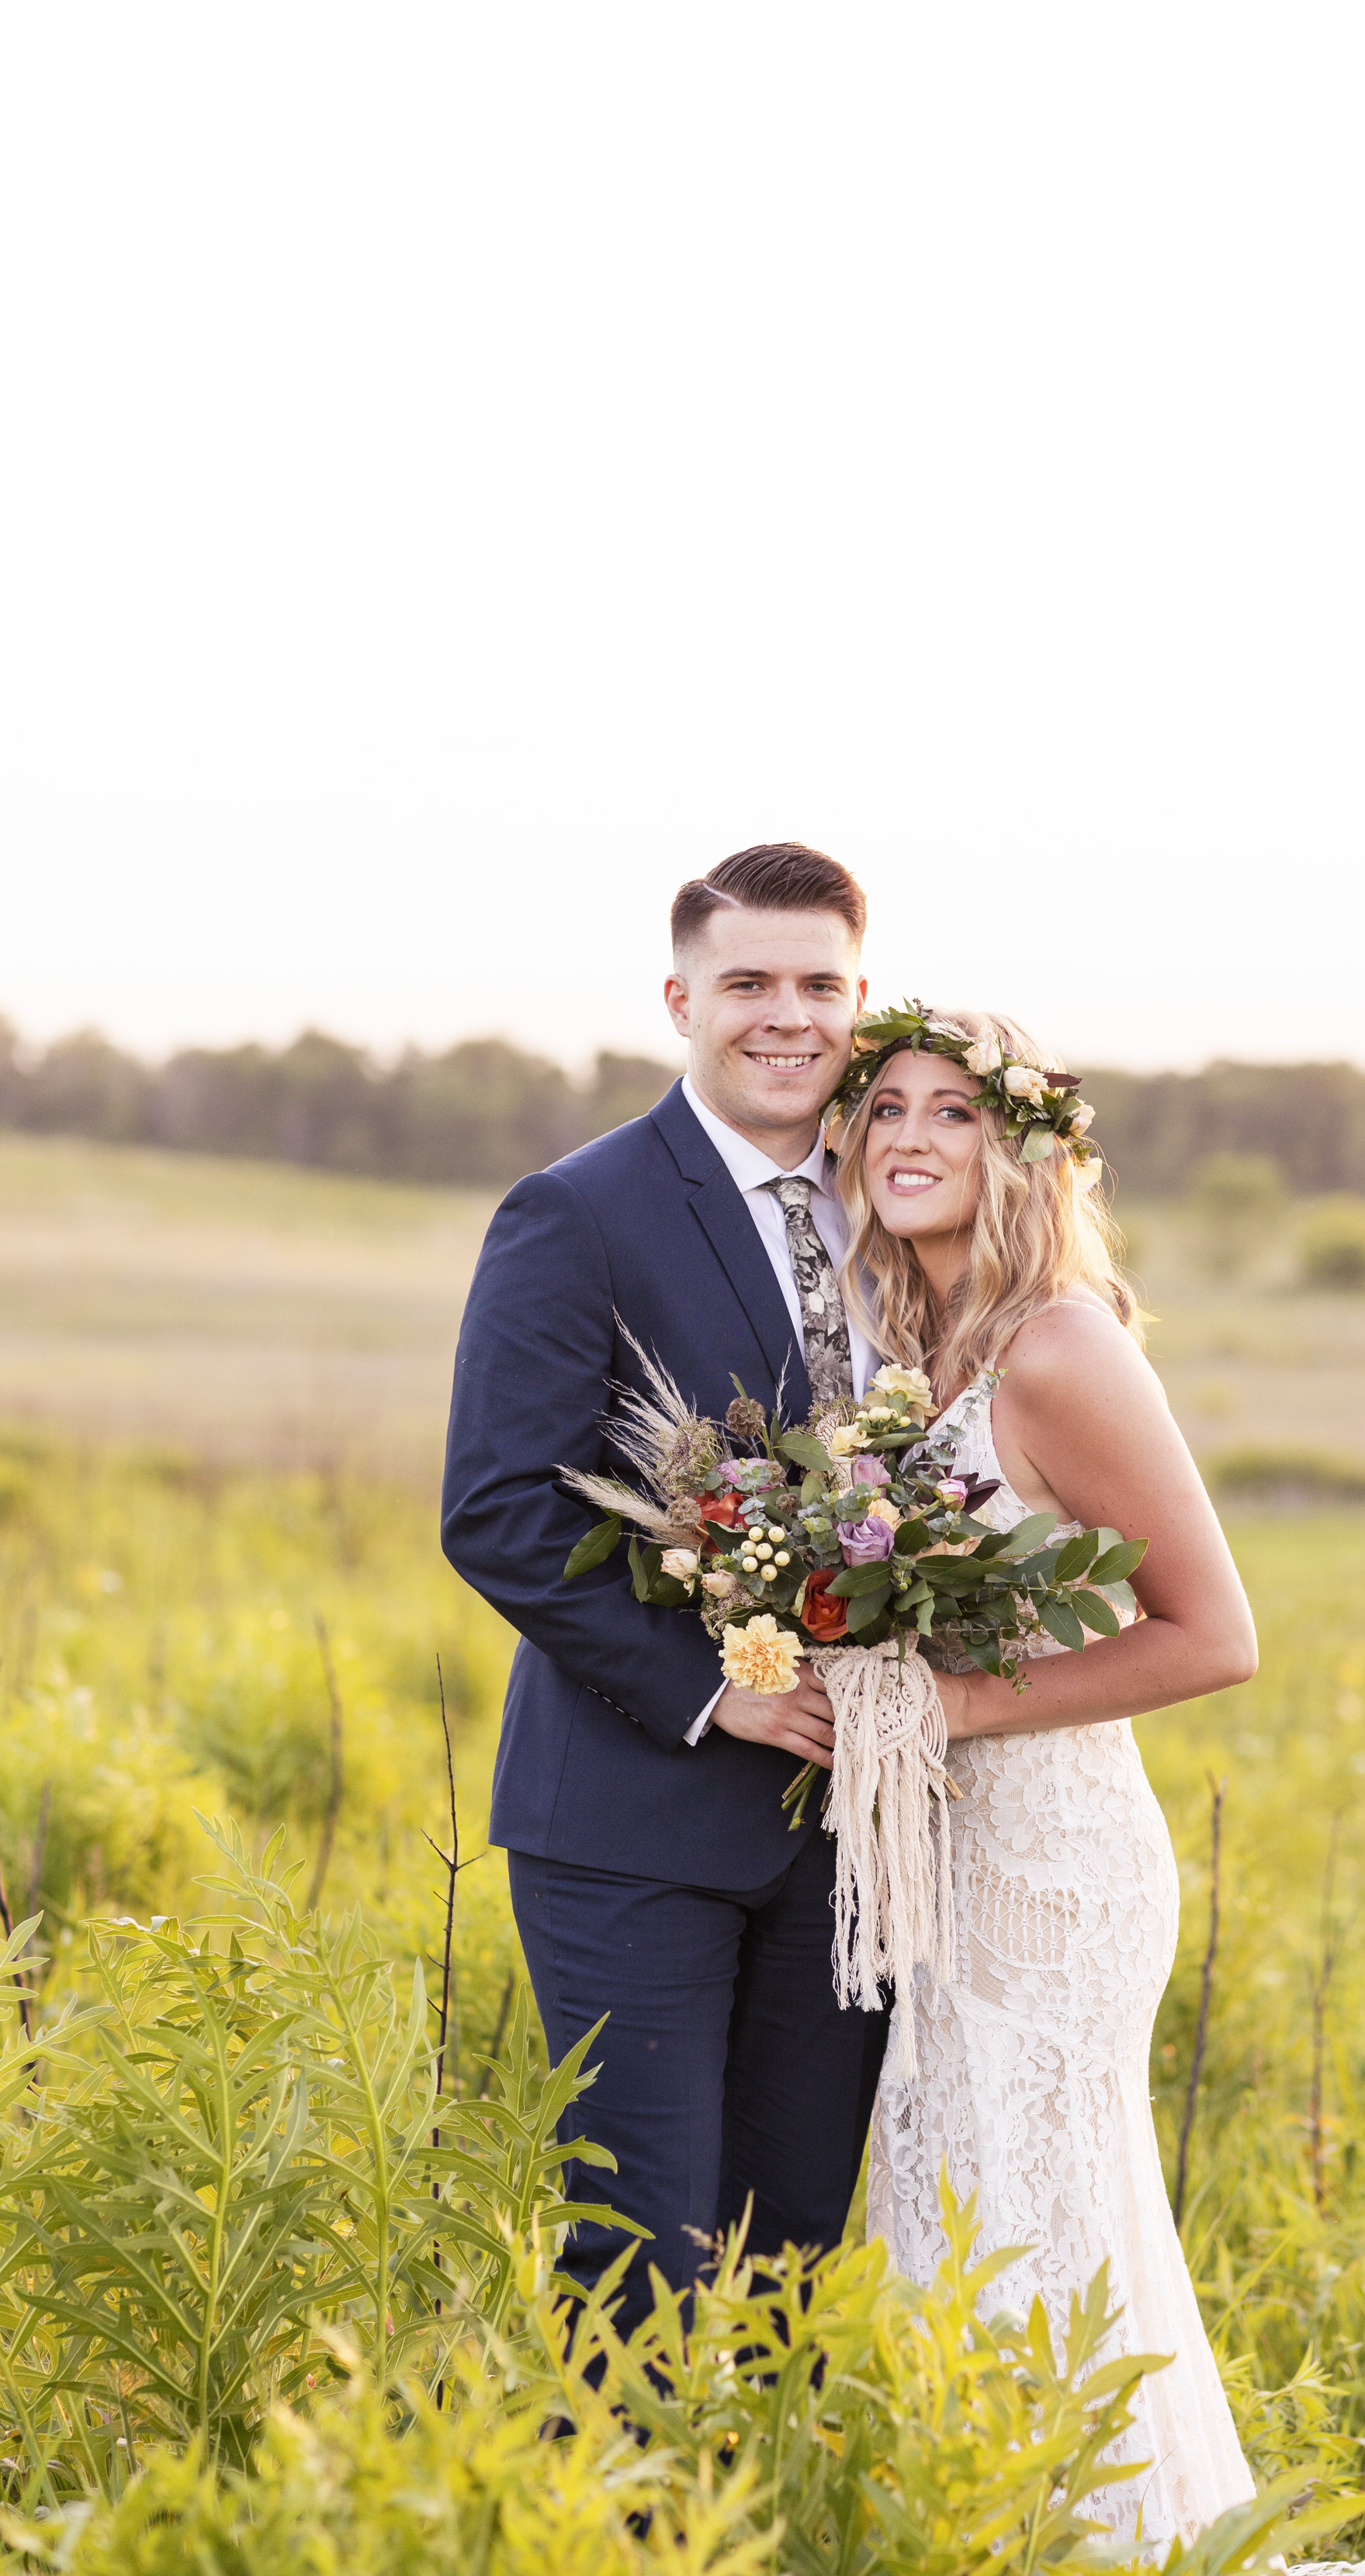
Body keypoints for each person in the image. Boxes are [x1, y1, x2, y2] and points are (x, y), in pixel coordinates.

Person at [833, 1007, 1365, 2576]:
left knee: (1041, 2235)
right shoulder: (915, 1351)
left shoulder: (1056, 1346)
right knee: (953, 2228)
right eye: (881, 1108)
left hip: (1049, 1870)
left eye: (950, 1113)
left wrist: (944, 1716)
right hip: (941, 1870)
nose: (906, 1135)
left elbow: (1213, 1634)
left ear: (1017, 1147)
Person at [441, 841, 887, 2335]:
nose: (787, 1015)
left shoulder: (901, 1205)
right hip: (633, 1823)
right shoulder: (579, 1211)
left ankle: (753, 2563)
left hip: (852, 1835)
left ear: (860, 997)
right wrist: (720, 1694)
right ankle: (612, 2570)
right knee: (640, 2255)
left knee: (793, 2256)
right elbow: (498, 1511)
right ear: (681, 998)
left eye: (818, 983)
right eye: (748, 982)